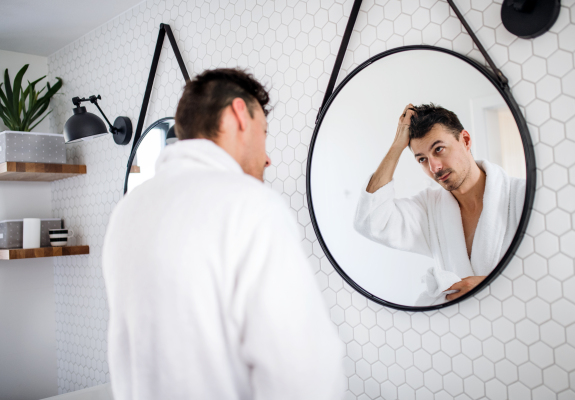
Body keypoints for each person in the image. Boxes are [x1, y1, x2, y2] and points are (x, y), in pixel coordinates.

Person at [102, 69, 344, 400]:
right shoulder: (251, 207)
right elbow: (305, 376)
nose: (268, 156)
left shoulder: (127, 212)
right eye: (265, 132)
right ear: (239, 114)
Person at [354, 103, 525, 305]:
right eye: (422, 159)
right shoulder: (430, 209)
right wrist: (397, 145)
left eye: (439, 149)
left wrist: (491, 286)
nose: (434, 167)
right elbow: (370, 220)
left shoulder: (521, 195)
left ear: (466, 140)